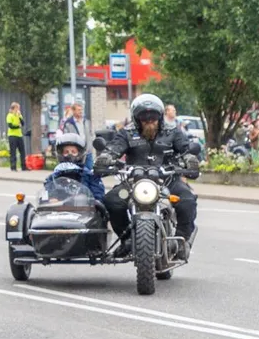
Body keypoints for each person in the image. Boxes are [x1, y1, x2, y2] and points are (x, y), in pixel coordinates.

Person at [99, 93, 200, 250]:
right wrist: (105, 158)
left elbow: (185, 148)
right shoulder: (127, 133)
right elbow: (114, 148)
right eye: (144, 117)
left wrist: (190, 160)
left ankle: (181, 241)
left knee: (187, 200)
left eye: (153, 117)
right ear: (136, 118)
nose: (149, 121)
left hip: (167, 180)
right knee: (112, 201)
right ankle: (127, 240)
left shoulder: (172, 132)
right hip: (133, 182)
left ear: (159, 117)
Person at [45, 131, 105, 201]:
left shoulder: (90, 176)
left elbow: (99, 197)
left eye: (73, 152)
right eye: (66, 152)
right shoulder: (53, 176)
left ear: (80, 153)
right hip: (60, 210)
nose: (70, 155)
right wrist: (51, 198)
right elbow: (46, 195)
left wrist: (91, 201)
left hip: (84, 211)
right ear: (60, 153)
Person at [5, 102, 26, 171]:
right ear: (13, 108)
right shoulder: (9, 115)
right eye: (17, 108)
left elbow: (23, 123)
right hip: (12, 135)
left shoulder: (19, 115)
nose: (18, 109)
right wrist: (18, 126)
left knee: (22, 151)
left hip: (19, 135)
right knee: (13, 151)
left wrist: (19, 116)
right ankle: (13, 167)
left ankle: (24, 166)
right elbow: (11, 126)